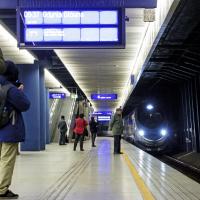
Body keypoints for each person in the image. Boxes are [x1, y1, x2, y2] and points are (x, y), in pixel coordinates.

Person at [0, 60, 30, 199]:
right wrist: (19, 90)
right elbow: (25, 104)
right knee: (6, 159)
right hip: (8, 129)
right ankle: (2, 189)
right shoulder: (10, 89)